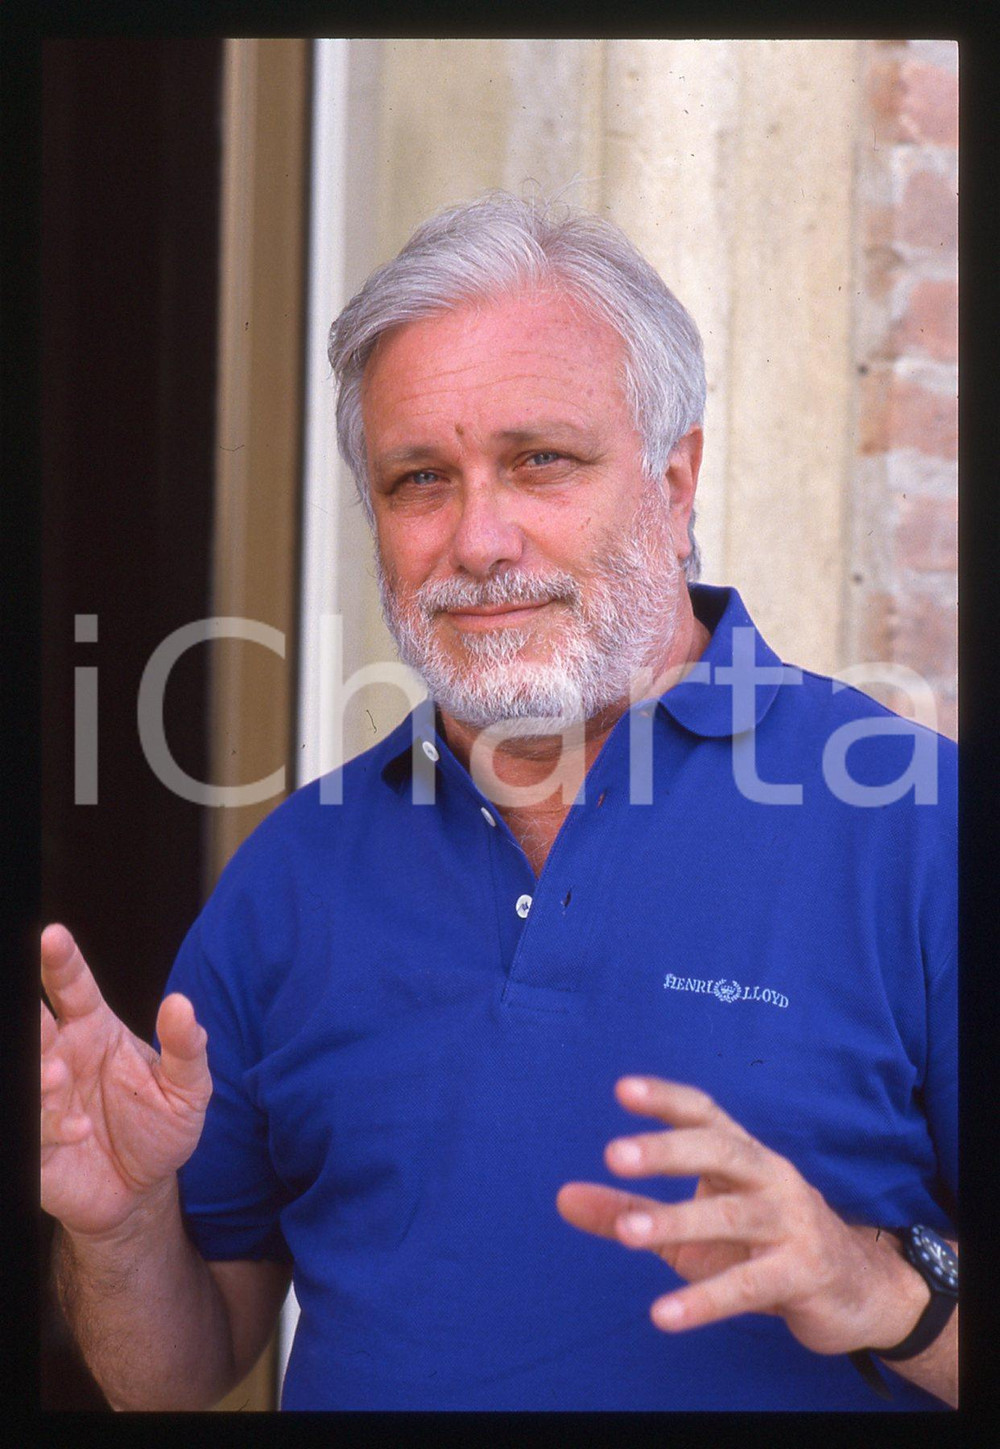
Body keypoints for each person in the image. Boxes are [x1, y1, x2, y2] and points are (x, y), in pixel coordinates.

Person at [40, 193, 957, 1411]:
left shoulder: (916, 827)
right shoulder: (293, 876)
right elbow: (176, 1375)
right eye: (421, 478)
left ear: (676, 478)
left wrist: (886, 1293)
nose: (478, 539)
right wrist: (116, 1227)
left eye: (541, 460)